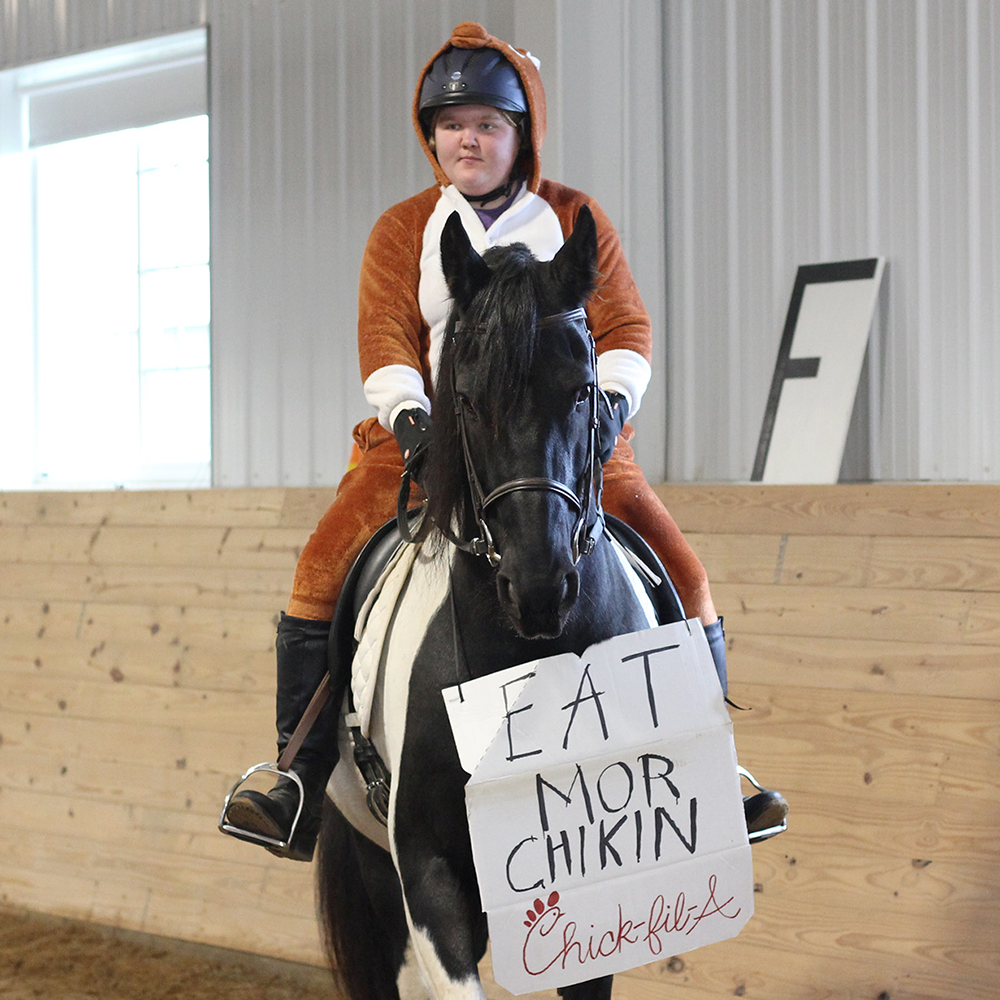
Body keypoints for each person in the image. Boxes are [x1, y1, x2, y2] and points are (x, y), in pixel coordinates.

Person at [222, 21, 787, 861]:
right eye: (452, 125)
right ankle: (295, 776)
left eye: (487, 124)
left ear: (521, 134)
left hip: (570, 437)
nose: (467, 140)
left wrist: (607, 414)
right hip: (423, 441)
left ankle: (716, 765)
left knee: (685, 570)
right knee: (322, 560)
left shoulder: (574, 216)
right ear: (432, 135)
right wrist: (414, 423)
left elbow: (627, 327)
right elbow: (384, 339)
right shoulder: (401, 229)